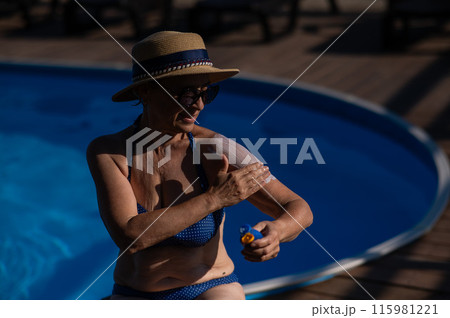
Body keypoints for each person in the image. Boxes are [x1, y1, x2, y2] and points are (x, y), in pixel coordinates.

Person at [86, 31, 313, 300]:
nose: (199, 105)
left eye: (206, 93)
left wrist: (278, 231)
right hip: (132, 293)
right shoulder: (110, 152)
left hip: (209, 288)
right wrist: (214, 199)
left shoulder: (217, 148)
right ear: (145, 91)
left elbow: (298, 207)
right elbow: (131, 236)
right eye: (186, 94)